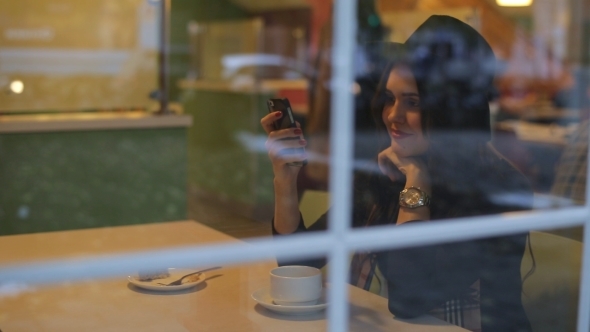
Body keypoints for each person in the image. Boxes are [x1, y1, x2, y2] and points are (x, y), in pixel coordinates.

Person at [260, 15, 532, 332]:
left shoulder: (499, 187)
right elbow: (300, 264)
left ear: (449, 110)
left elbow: (409, 298)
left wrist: (416, 182)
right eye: (390, 99)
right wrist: (285, 179)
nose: (393, 116)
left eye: (413, 102)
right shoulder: (389, 167)